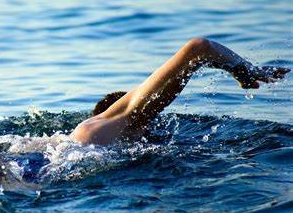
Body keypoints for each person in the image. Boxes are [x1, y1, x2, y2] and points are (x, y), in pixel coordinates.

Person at [70, 38, 290, 146]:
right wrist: (245, 71)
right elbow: (198, 48)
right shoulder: (122, 119)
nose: (150, 122)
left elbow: (192, 62)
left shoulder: (77, 137)